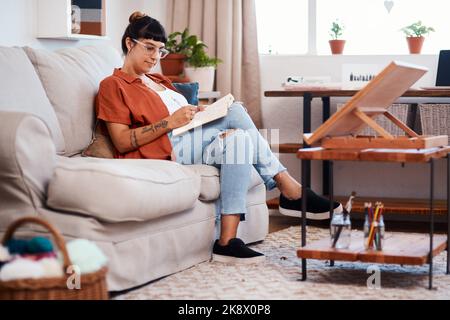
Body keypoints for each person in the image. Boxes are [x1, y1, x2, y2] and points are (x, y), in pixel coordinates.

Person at [96, 11, 342, 264]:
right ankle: (289, 188)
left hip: (190, 138)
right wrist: (170, 121)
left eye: (160, 50)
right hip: (165, 148)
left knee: (239, 140)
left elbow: (182, 115)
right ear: (129, 43)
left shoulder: (160, 80)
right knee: (235, 111)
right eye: (149, 48)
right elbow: (122, 141)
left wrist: (204, 114)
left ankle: (227, 241)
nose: (155, 57)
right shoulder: (113, 85)